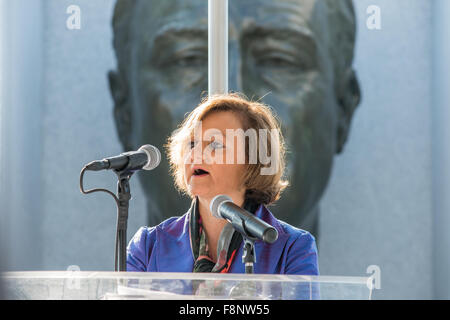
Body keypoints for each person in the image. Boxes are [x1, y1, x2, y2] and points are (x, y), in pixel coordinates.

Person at [109, 0, 361, 237]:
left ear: (343, 109)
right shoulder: (143, 249)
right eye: (187, 59)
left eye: (279, 60)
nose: (233, 95)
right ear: (125, 110)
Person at [127, 94, 319, 275]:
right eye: (192, 144)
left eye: (215, 145)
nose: (196, 155)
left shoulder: (293, 248)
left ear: (253, 161)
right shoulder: (148, 245)